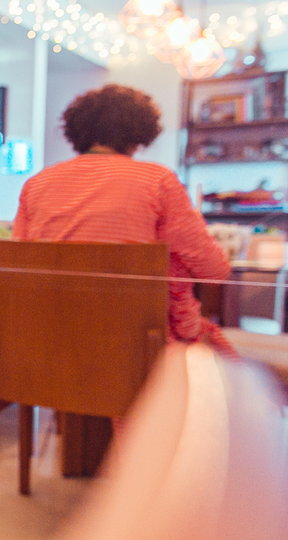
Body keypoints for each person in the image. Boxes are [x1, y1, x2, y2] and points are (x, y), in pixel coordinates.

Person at [13, 83, 233, 354]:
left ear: (76, 131)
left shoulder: (36, 184)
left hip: (49, 343)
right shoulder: (158, 181)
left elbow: (15, 265)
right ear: (140, 132)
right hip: (139, 349)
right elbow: (214, 270)